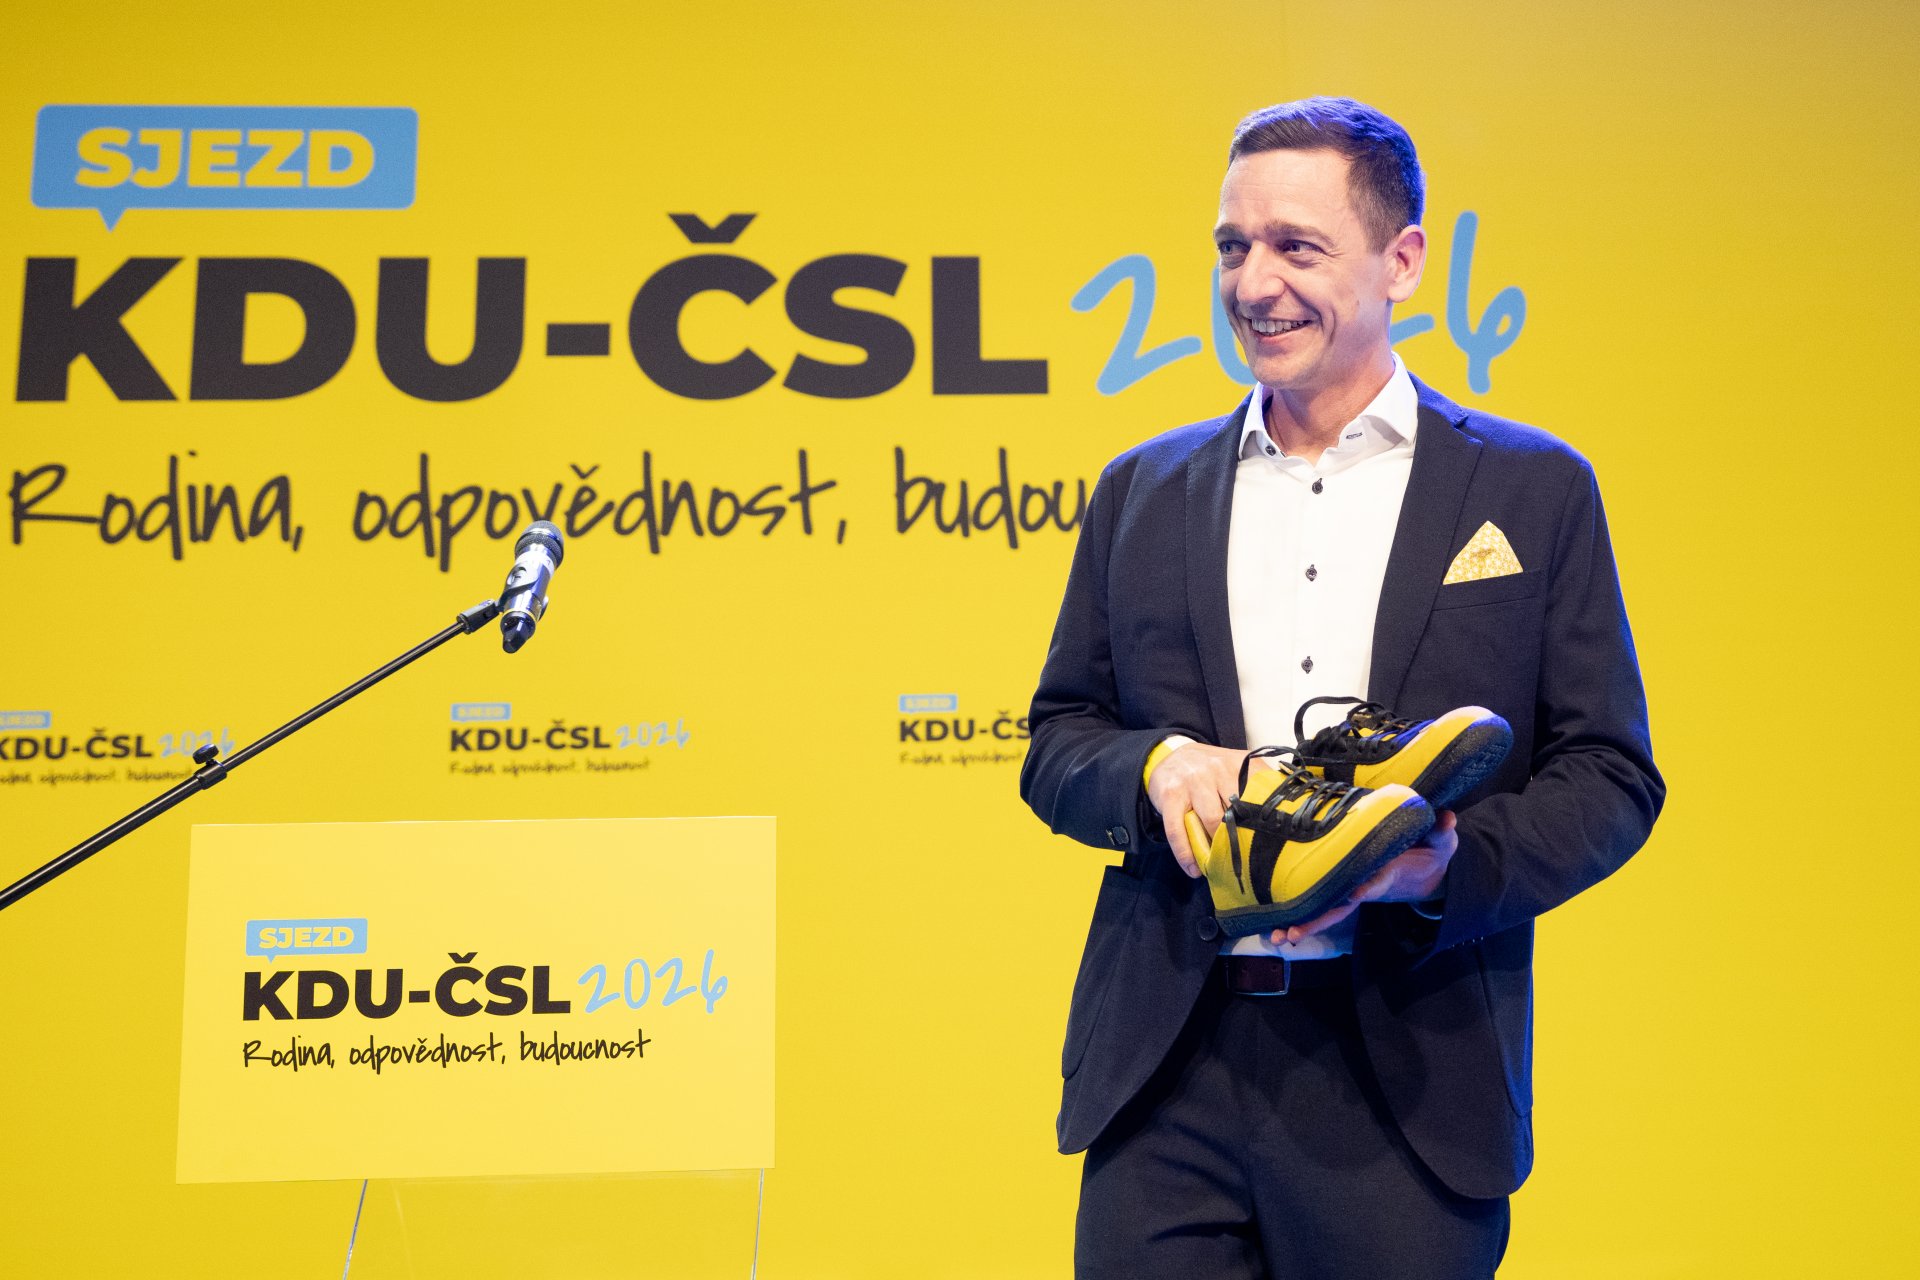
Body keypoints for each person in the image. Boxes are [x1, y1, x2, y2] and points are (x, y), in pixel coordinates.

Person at [1019, 96, 1663, 1279]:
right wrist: (1156, 764)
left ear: (1401, 260)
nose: (1253, 283)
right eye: (1232, 245)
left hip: (1409, 1084)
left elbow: (1610, 774)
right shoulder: (1140, 489)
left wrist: (1437, 870)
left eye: (1296, 246)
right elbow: (1060, 740)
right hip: (1166, 1069)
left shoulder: (1533, 488)